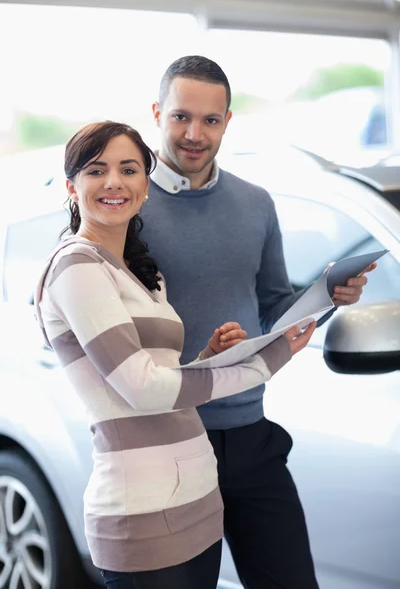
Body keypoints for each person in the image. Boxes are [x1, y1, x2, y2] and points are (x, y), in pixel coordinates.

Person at [34, 121, 316, 589]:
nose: (114, 182)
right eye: (96, 170)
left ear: (145, 187)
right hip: (142, 511)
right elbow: (143, 390)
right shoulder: (75, 266)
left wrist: (209, 355)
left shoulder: (142, 274)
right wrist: (264, 362)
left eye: (129, 169)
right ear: (71, 186)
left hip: (196, 500)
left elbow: (164, 377)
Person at [139, 55, 377, 589]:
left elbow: (272, 306)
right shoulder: (127, 203)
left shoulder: (255, 203)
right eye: (180, 117)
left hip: (251, 437)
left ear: (227, 121)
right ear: (156, 113)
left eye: (210, 120)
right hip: (170, 443)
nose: (194, 133)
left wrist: (328, 297)